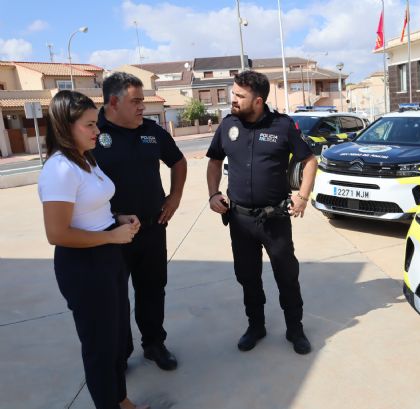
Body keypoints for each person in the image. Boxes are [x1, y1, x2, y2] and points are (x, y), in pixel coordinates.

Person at [38, 90, 149, 409]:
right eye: (88, 125)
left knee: (116, 340)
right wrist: (110, 236)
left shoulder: (86, 159)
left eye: (95, 123)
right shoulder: (59, 169)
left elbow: (92, 208)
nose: (96, 130)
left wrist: (119, 218)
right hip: (83, 267)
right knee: (99, 348)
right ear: (64, 128)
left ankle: (120, 400)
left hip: (108, 257)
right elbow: (57, 234)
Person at [206, 70, 318, 355]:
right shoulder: (228, 125)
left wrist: (303, 197)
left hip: (275, 219)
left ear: (258, 101)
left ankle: (295, 328)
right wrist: (213, 193)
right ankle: (256, 326)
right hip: (240, 219)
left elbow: (309, 160)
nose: (233, 100)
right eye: (234, 94)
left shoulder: (282, 126)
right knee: (248, 276)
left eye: (239, 96)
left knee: (286, 275)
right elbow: (214, 161)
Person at [93, 72, 187, 371]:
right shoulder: (92, 132)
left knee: (152, 289)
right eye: (135, 101)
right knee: (113, 297)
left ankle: (154, 344)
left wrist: (174, 197)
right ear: (113, 101)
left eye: (142, 101)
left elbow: (179, 161)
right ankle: (120, 352)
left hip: (151, 228)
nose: (142, 107)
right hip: (109, 234)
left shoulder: (151, 131)